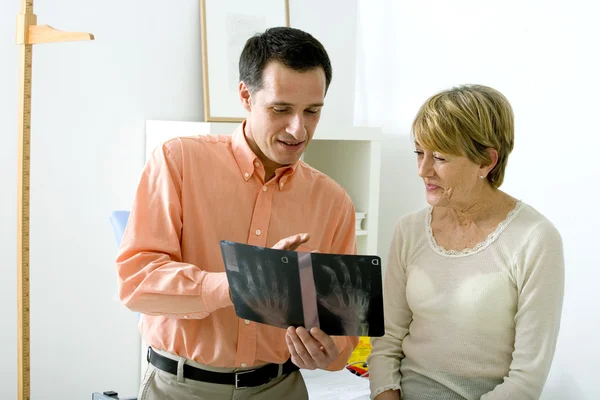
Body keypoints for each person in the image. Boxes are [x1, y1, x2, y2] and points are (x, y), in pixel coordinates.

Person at [116, 26, 359, 400]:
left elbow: (341, 336)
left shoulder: (333, 201)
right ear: (246, 96)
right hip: (180, 390)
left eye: (313, 111)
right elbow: (137, 283)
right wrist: (240, 285)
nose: (299, 129)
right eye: (281, 109)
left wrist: (331, 353)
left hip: (282, 388)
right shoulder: (178, 160)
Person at [367, 84, 564, 400]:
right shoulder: (410, 230)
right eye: (419, 152)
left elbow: (526, 380)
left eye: (440, 157)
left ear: (486, 161)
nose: (422, 170)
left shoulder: (536, 239)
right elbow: (387, 341)